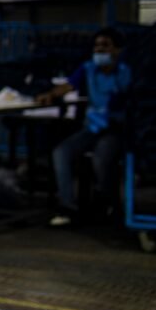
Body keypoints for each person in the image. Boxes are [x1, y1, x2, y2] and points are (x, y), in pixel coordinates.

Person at [37, 27, 131, 227]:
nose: (99, 50)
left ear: (118, 50)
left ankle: (112, 204)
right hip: (92, 127)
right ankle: (68, 207)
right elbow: (69, 85)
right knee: (61, 152)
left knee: (101, 159)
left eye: (105, 46)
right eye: (97, 46)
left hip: (115, 128)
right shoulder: (88, 69)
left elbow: (127, 101)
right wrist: (51, 94)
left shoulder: (125, 73)